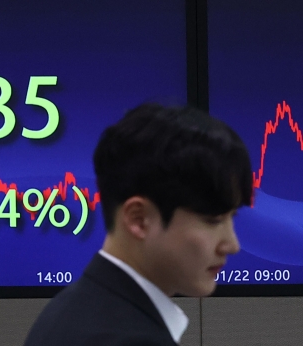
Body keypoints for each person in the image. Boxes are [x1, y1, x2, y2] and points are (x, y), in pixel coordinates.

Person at [24, 103, 253, 346]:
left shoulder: (69, 310)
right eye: (213, 220)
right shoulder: (129, 339)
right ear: (138, 219)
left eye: (232, 217)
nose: (232, 245)